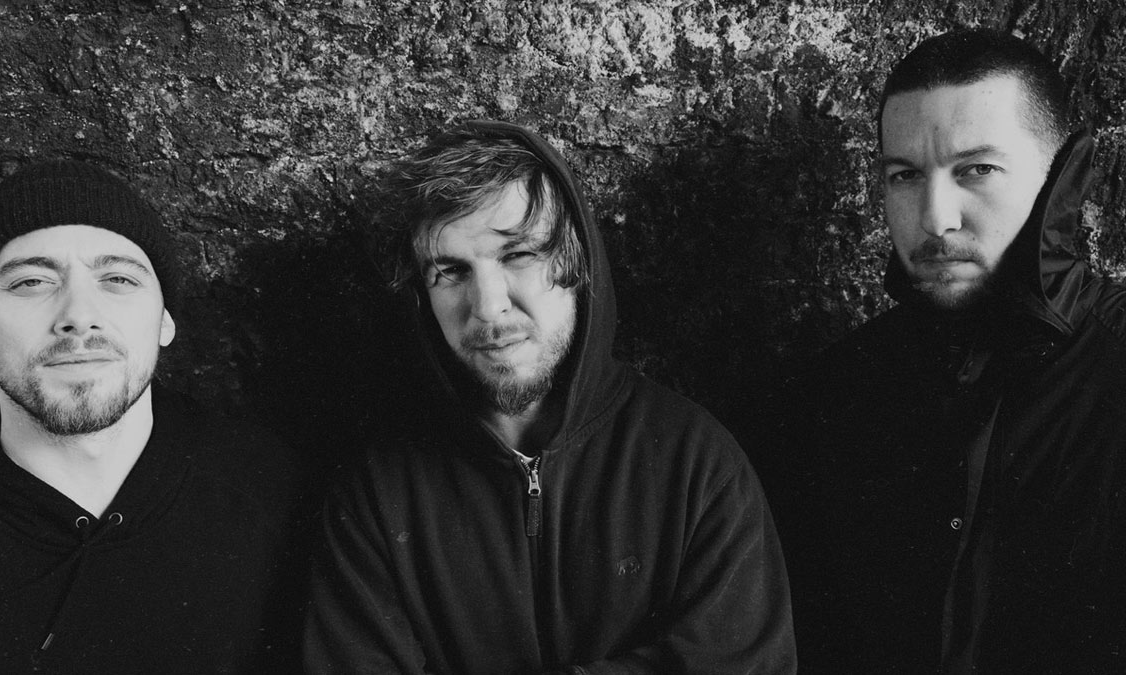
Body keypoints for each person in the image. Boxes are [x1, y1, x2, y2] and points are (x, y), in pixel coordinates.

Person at [303, 120, 796, 673]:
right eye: (451, 271)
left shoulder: (697, 466)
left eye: (519, 254)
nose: (488, 306)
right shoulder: (377, 493)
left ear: (577, 262)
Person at [768, 28, 1126, 672]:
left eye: (977, 170)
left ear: (1062, 176)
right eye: (905, 175)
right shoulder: (835, 392)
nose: (936, 219)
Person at [0, 160, 304, 673]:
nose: (79, 316)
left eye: (119, 279)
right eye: (31, 281)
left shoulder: (266, 487)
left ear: (165, 320)